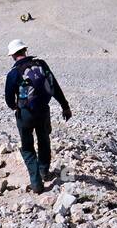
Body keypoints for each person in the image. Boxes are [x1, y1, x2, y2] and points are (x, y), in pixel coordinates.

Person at [4, 38, 72, 194]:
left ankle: (36, 183)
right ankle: (44, 171)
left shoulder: (13, 73)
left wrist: (16, 107)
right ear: (25, 50)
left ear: (13, 55)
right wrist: (65, 106)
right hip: (43, 111)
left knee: (27, 148)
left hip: (25, 114)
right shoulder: (41, 64)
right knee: (44, 140)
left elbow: (9, 99)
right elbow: (54, 86)